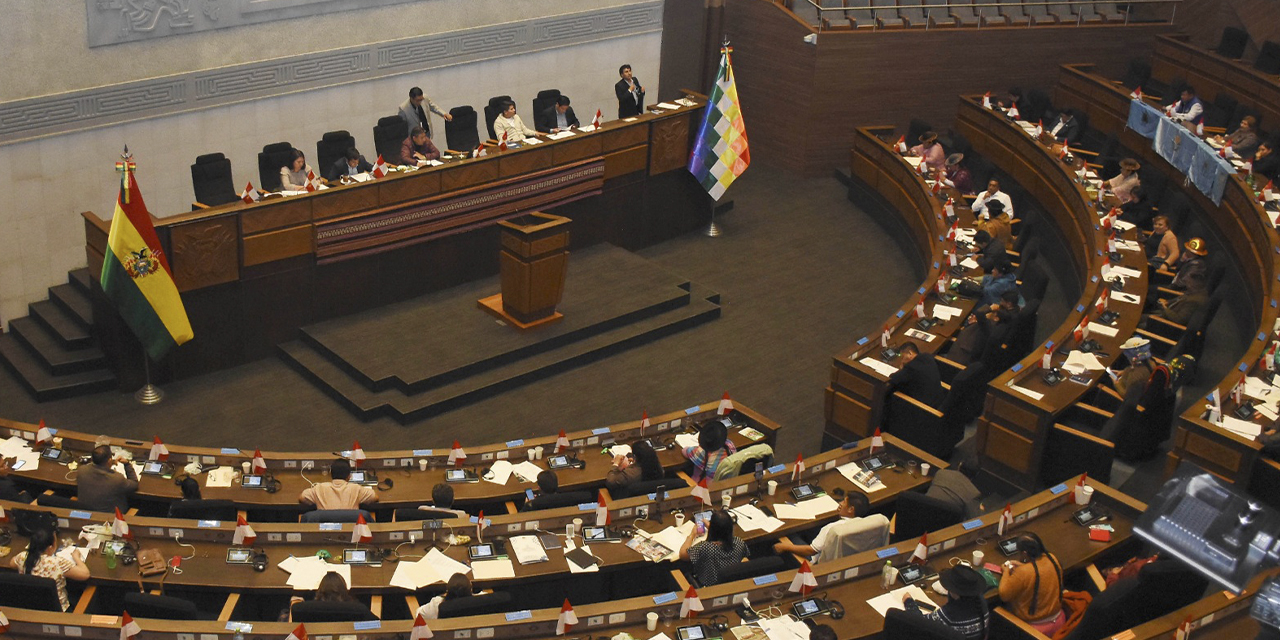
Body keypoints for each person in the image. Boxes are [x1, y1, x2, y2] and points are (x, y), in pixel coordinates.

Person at [772, 490, 887, 562]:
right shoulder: (863, 524)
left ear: (851, 509)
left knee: (790, 532)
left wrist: (784, 547)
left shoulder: (832, 528)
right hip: (846, 557)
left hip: (814, 559)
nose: (840, 503)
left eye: (844, 502)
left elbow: (810, 551)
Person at [999, 532, 1065, 635]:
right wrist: (1023, 566)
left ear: (1025, 553)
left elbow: (1004, 594)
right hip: (1059, 620)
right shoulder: (1052, 558)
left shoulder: (1024, 572)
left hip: (1033, 630)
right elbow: (1039, 570)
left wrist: (1006, 572)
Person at [11, 528, 90, 611]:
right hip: (58, 611)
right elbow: (85, 574)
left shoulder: (22, 557)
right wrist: (76, 557)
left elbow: (12, 563)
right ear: (49, 548)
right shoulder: (57, 562)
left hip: (31, 606)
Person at [902, 564, 990, 640]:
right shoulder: (981, 602)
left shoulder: (948, 616)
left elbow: (918, 623)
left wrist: (908, 602)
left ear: (954, 591)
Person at [680, 509, 749, 586]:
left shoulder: (706, 547)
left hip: (708, 586)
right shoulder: (739, 542)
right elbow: (745, 556)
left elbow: (683, 555)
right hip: (729, 583)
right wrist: (715, 528)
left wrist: (692, 535)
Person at [76, 444, 139, 512]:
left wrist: (110, 464)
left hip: (86, 515)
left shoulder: (81, 470)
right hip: (110, 518)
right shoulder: (117, 479)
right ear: (109, 460)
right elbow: (134, 484)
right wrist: (127, 464)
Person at [298, 459, 378, 510]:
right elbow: (375, 497)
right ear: (349, 477)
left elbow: (302, 498)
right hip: (351, 530)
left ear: (331, 475)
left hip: (325, 533)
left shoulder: (319, 488)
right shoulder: (356, 489)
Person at [887, 342, 946, 408]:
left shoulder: (911, 368)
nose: (902, 361)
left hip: (923, 410)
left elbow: (893, 379)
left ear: (910, 353)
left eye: (903, 357)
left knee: (889, 392)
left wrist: (902, 369)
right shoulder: (927, 357)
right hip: (938, 401)